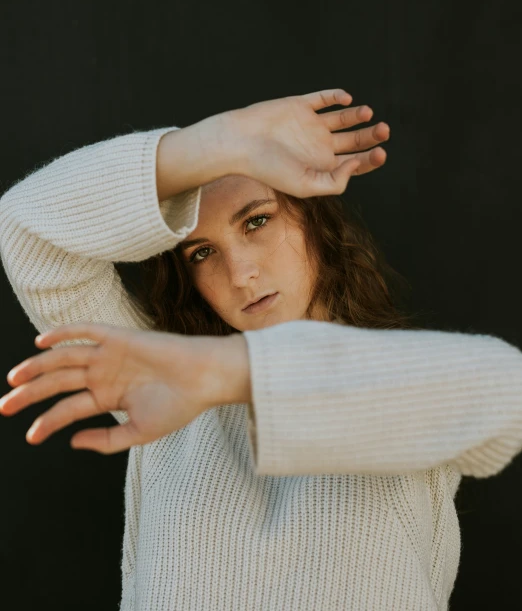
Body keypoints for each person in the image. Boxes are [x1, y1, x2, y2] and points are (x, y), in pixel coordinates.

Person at [1, 88, 521, 611]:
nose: (241, 274)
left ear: (315, 220)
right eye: (202, 253)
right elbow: (26, 230)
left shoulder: (394, 383)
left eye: (257, 221)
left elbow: (508, 392)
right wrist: (220, 141)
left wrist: (226, 374)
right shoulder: (164, 385)